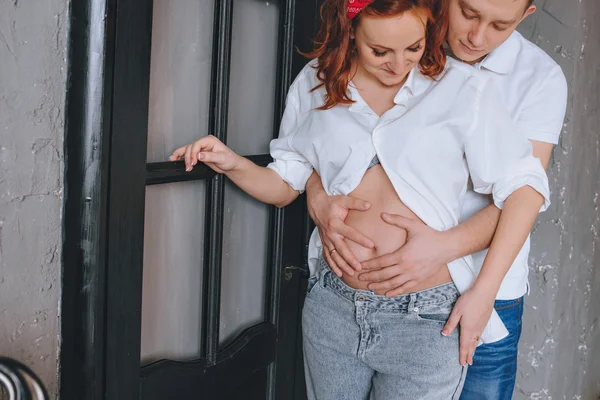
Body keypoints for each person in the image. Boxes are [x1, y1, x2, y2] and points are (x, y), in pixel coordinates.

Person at [170, 0, 551, 398]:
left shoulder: (464, 89)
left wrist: (484, 291)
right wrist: (230, 162)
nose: (398, 65)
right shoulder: (315, 82)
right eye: (380, 51)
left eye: (414, 48)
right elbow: (284, 185)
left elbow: (525, 189)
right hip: (333, 308)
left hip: (427, 318)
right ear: (350, 30)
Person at [305, 0, 568, 398]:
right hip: (346, 300)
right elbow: (315, 143)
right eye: (468, 12)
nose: (477, 36)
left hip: (480, 290)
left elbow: (523, 191)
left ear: (527, 16)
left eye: (500, 25)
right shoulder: (392, 42)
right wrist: (317, 198)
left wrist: (450, 258)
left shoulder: (539, 78)